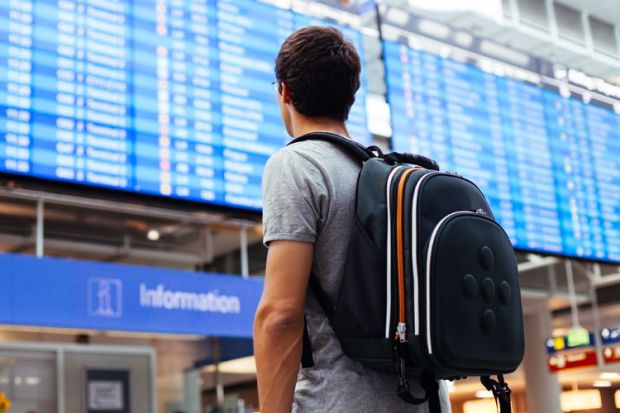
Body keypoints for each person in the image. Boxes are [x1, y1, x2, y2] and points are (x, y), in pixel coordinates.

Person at [253, 27, 451, 412]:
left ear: (285, 93)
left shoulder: (297, 164)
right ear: (351, 98)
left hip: (342, 401)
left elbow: (279, 315)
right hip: (426, 401)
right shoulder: (390, 178)